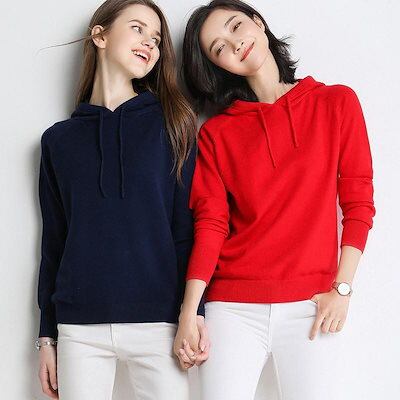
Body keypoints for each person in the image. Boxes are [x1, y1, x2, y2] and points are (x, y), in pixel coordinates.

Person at [174, 1, 376, 399]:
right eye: (219, 48)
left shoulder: (336, 102)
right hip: (232, 306)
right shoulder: (216, 134)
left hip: (312, 305)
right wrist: (189, 312)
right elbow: (211, 223)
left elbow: (359, 203)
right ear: (217, 66)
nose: (235, 44)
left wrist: (343, 289)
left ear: (258, 22)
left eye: (236, 27)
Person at [35, 1, 209, 399]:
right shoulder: (58, 141)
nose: (149, 43)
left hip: (159, 324)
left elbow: (186, 231)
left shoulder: (173, 125)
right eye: (137, 28)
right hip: (79, 328)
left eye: (157, 39)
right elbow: (53, 244)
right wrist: (46, 338)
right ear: (99, 36)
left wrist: (194, 313)